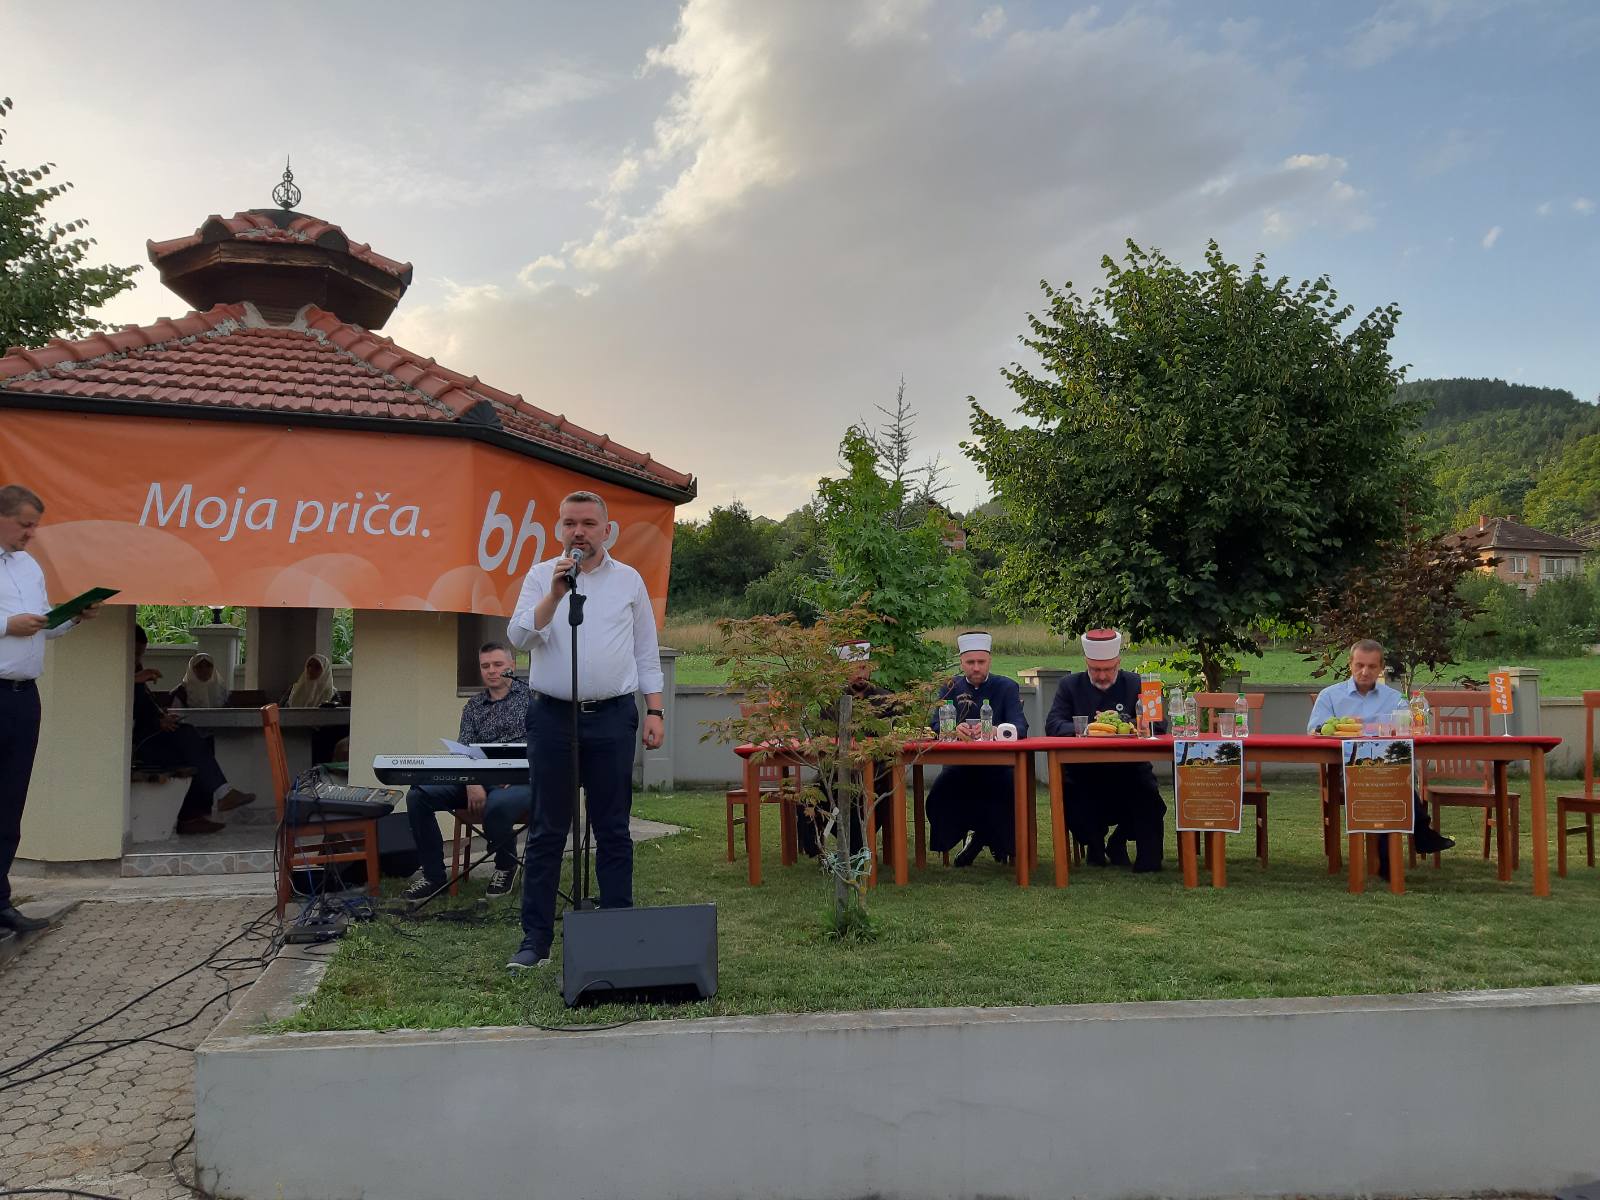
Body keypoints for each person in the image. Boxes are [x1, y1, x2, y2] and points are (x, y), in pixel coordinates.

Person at [504, 490, 665, 971]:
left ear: (607, 530)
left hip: (613, 716)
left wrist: (655, 710)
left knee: (612, 827)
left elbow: (645, 651)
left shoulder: (629, 581)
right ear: (559, 529)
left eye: (589, 524)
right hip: (553, 718)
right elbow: (519, 637)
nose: (579, 532)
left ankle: (616, 933)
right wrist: (555, 595)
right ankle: (536, 940)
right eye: (570, 523)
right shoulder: (541, 577)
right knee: (547, 829)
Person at [0, 485, 100, 937]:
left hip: (23, 696)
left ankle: (1, 903)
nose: (31, 534)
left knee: (10, 802)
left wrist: (72, 616)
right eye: (25, 525)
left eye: (35, 526)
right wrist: (7, 624)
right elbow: (17, 626)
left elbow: (42, 626)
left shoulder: (28, 566)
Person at [1308, 638, 1454, 873]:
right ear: (1350, 664)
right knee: (1391, 780)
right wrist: (1346, 728)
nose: (1365, 672)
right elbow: (1315, 730)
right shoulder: (1330, 696)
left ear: (1381, 668)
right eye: (1359, 665)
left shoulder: (1394, 698)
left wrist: (1377, 730)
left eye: (1372, 666)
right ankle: (1420, 835)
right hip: (1346, 770)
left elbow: (1407, 731)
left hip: (1388, 767)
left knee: (1390, 778)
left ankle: (1388, 861)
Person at [400, 643, 532, 902]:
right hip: (477, 777)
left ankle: (506, 866)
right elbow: (463, 749)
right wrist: (472, 781)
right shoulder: (473, 706)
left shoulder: (532, 699)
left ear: (512, 666)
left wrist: (514, 772)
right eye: (485, 666)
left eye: (498, 665)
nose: (491, 671)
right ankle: (434, 876)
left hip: (517, 780)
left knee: (497, 806)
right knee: (418, 796)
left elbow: (545, 743)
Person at [1045, 628, 1166, 872]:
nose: (1102, 676)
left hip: (1130, 771)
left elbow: (1160, 725)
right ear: (1086, 664)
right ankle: (1095, 846)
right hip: (1084, 773)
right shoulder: (1070, 686)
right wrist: (1090, 728)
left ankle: (1139, 854)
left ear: (1118, 663)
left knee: (1150, 800)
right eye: (1095, 669)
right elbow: (1053, 725)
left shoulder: (1137, 683)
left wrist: (1135, 724)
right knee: (1073, 800)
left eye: (1108, 669)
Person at [133, 626, 254, 835]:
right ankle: (221, 795)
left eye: (140, 654)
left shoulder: (221, 690)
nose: (137, 658)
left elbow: (145, 706)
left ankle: (193, 816)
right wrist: (156, 720)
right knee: (190, 738)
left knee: (198, 747)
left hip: (152, 737)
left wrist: (162, 717)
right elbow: (127, 709)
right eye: (134, 653)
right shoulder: (123, 676)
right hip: (139, 745)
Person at [925, 631, 1028, 866]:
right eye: (970, 662)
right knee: (939, 795)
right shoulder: (950, 687)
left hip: (999, 767)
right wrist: (953, 729)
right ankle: (975, 837)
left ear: (989, 661)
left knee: (1009, 790)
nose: (976, 668)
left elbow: (1021, 726)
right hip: (959, 766)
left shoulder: (1006, 687)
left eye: (981, 662)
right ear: (961, 663)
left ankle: (984, 838)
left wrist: (997, 730)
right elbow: (934, 725)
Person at [796, 641, 897, 859]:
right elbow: (821, 740)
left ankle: (855, 854)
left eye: (864, 667)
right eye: (854, 669)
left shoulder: (886, 700)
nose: (860, 674)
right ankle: (819, 853)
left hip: (875, 774)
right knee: (807, 796)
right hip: (835, 772)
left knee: (856, 799)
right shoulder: (831, 703)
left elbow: (894, 739)